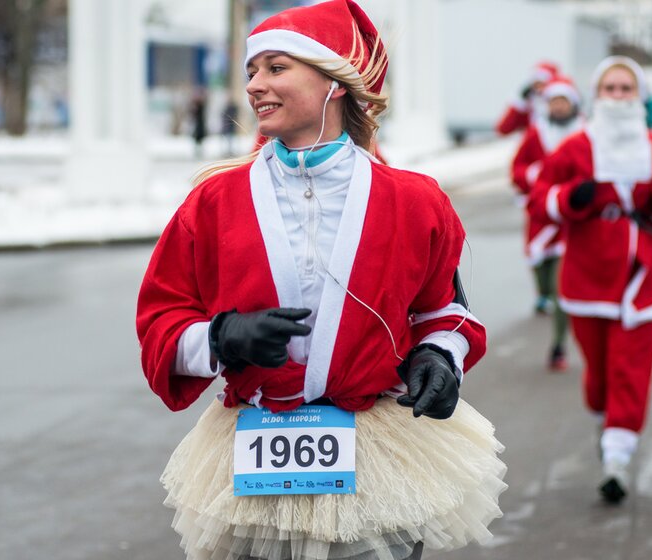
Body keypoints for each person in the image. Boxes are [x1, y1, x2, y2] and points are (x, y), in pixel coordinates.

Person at [136, 2, 505, 559]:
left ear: (334, 82)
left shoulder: (414, 200)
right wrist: (220, 338)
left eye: (276, 68)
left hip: (377, 449)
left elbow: (444, 310)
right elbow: (159, 321)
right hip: (255, 448)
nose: (256, 85)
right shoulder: (213, 202)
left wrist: (439, 356)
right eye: (252, 72)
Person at [528, 56, 652, 504]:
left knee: (630, 368)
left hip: (641, 276)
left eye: (626, 89)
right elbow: (540, 199)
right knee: (598, 377)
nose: (618, 97)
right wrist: (569, 198)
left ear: (639, 96)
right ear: (598, 96)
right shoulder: (575, 148)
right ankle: (608, 425)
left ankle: (617, 457)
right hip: (588, 276)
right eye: (610, 89)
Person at [509, 76, 583, 371]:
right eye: (554, 101)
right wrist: (535, 175)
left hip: (570, 220)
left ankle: (558, 345)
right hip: (540, 218)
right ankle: (543, 296)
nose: (559, 107)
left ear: (573, 104)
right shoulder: (536, 132)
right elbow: (517, 168)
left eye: (563, 101)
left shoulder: (584, 135)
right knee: (542, 279)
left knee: (560, 287)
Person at [495, 61, 559, 136]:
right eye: (536, 84)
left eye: (542, 84)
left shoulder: (560, 107)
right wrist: (520, 102)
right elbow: (503, 129)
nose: (539, 89)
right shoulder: (528, 107)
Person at [190, 89, 208, 159]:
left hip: (200, 126)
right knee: (197, 141)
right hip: (198, 126)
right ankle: (198, 152)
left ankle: (199, 152)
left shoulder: (200, 106)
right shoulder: (197, 106)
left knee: (199, 140)